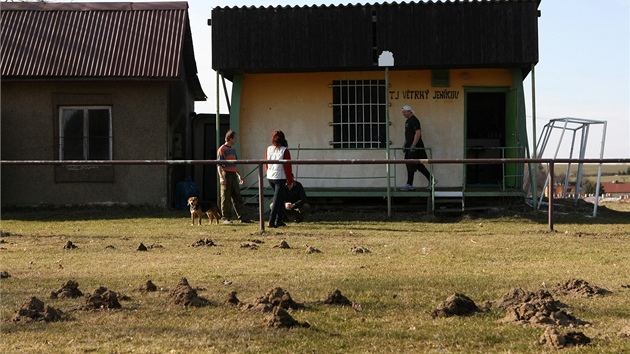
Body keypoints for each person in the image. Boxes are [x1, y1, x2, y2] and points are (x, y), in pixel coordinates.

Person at [216, 130, 251, 223]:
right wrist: (221, 177)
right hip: (226, 173)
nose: (236, 140)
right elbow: (219, 164)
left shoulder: (233, 149)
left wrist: (239, 175)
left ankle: (243, 217)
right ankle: (226, 217)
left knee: (237, 196)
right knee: (226, 196)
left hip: (233, 173)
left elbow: (235, 164)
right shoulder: (222, 149)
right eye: (234, 138)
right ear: (230, 138)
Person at [400, 105, 437, 191]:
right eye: (403, 112)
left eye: (404, 112)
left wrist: (413, 145)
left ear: (409, 111)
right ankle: (430, 180)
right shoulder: (408, 121)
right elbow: (408, 135)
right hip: (409, 147)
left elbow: (418, 132)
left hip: (414, 147)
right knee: (415, 164)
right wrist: (405, 144)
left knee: (412, 163)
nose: (403, 114)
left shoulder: (414, 120)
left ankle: (410, 184)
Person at [265, 130, 294, 228]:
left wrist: (268, 172)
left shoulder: (268, 149)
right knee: (277, 200)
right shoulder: (284, 150)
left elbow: (266, 164)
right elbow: (287, 167)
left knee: (280, 198)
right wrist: (290, 180)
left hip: (270, 176)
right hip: (280, 177)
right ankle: (271, 221)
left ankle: (279, 220)